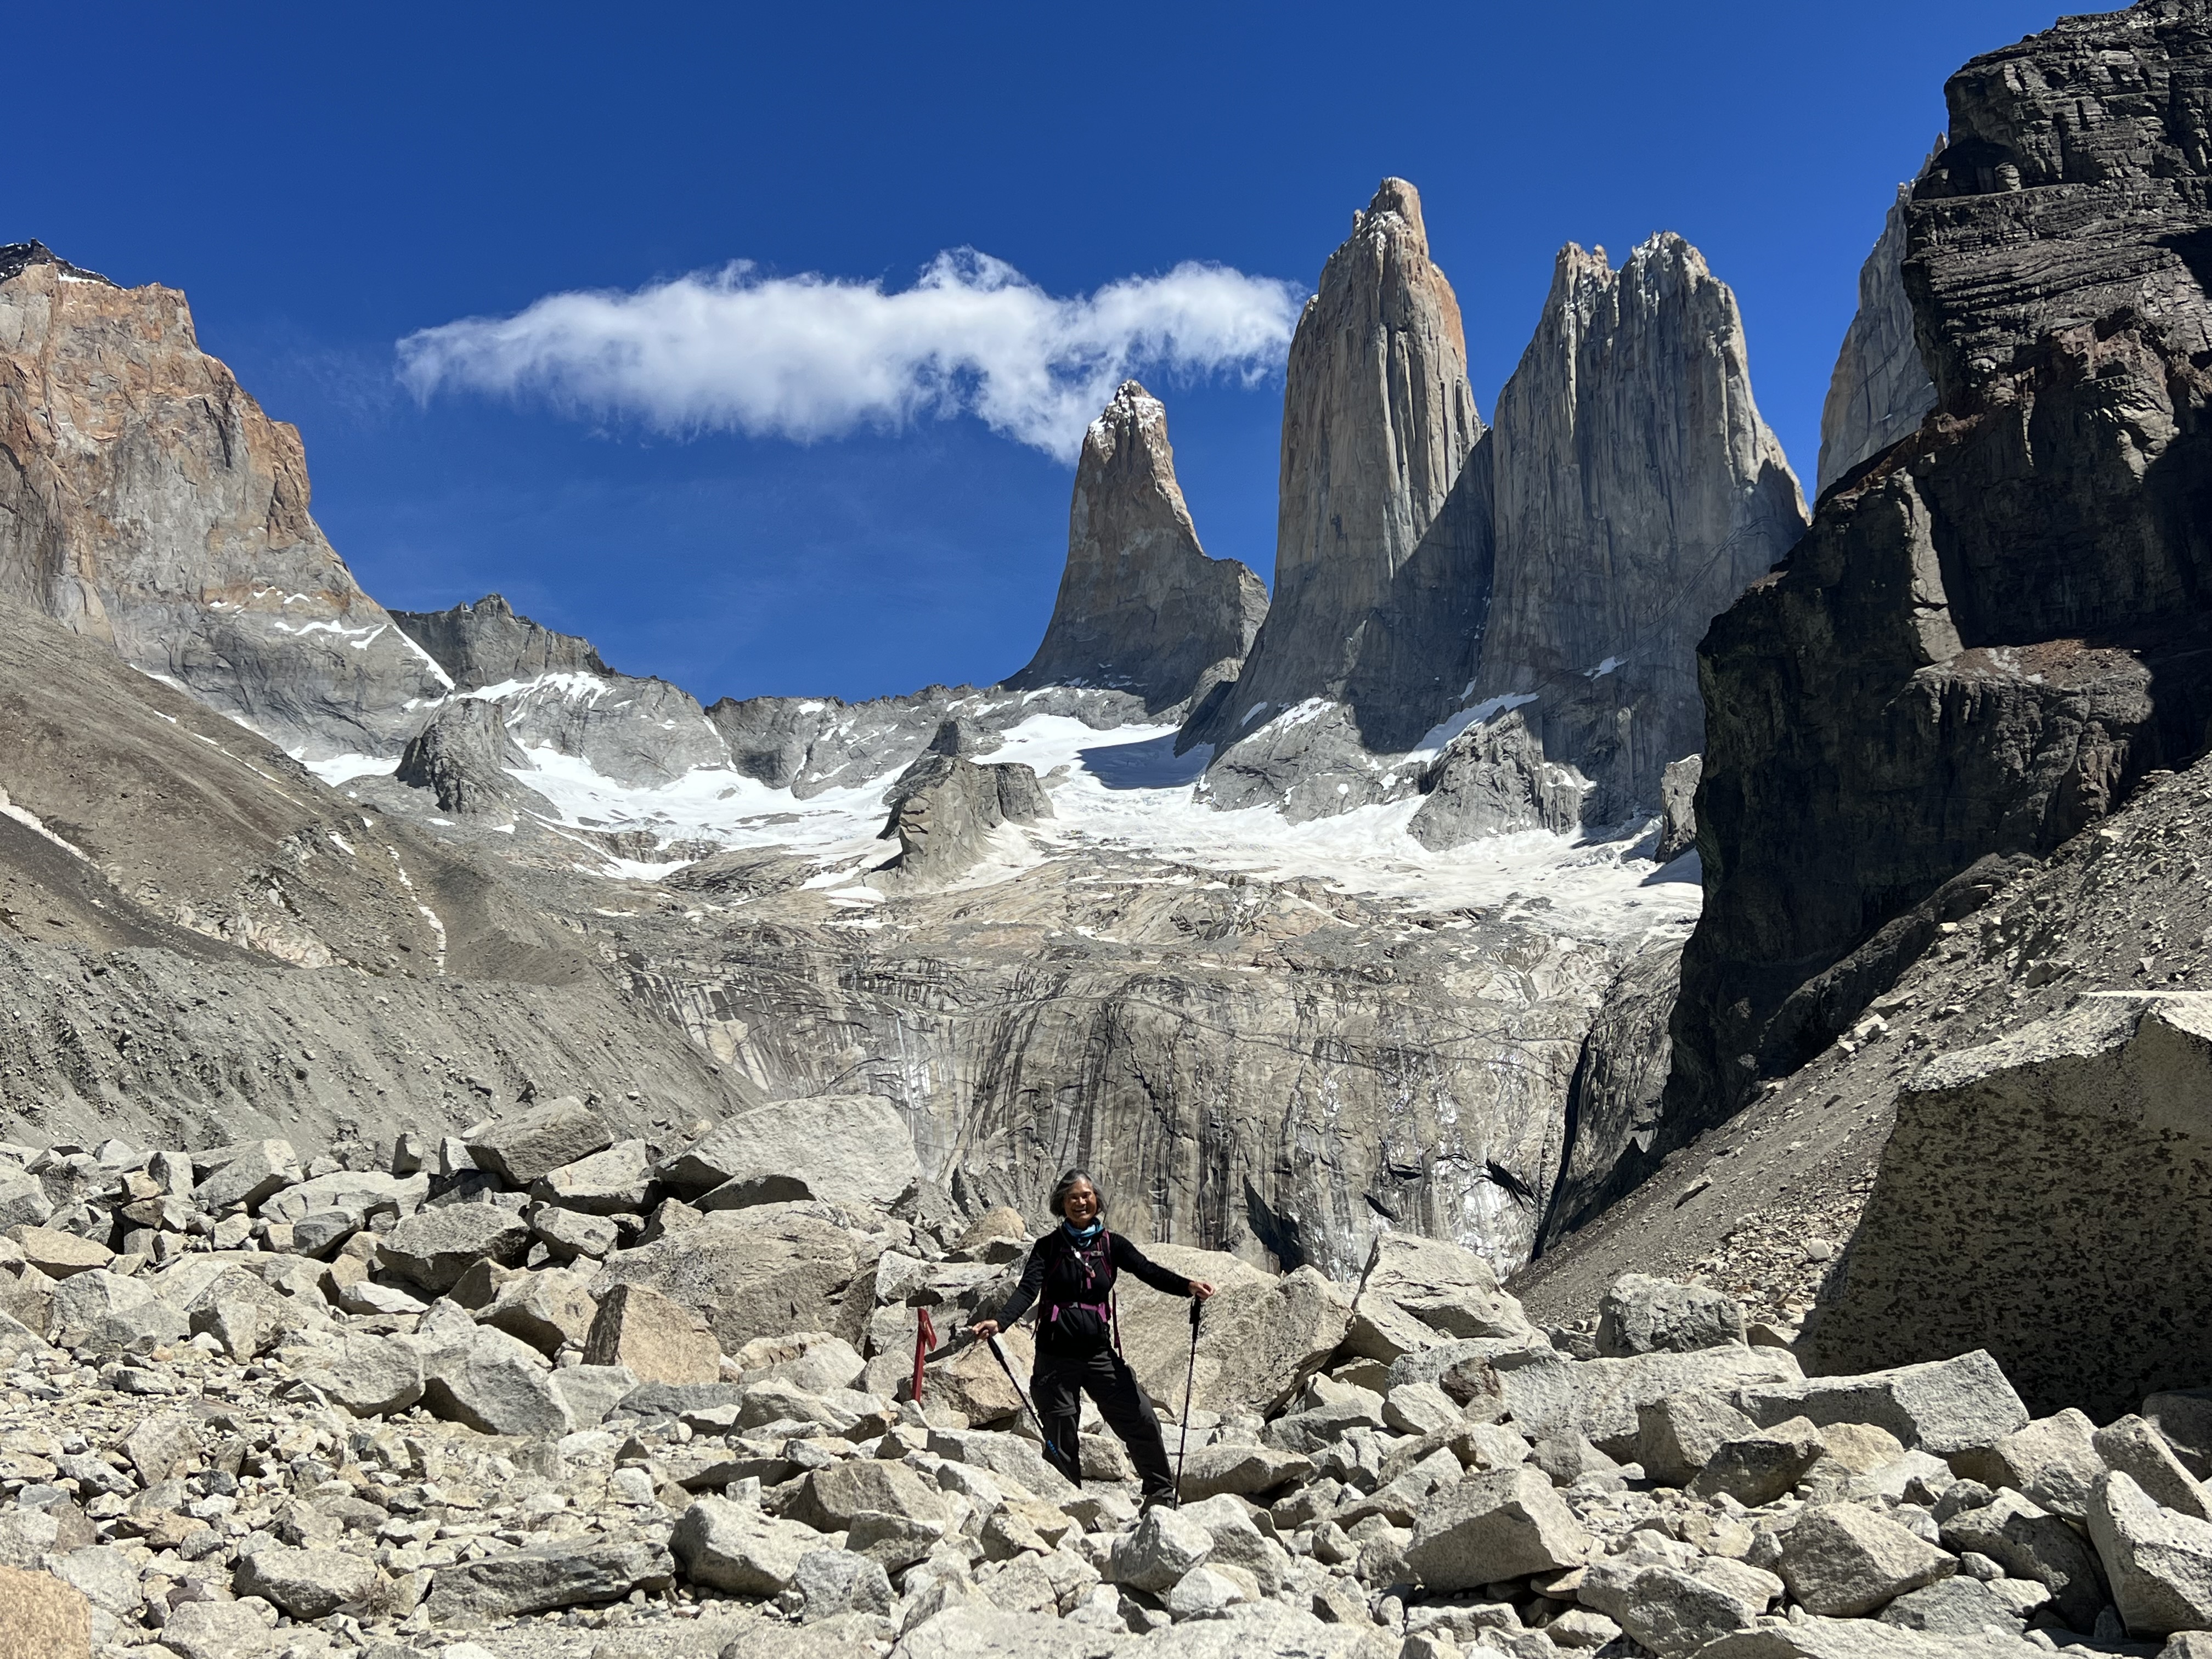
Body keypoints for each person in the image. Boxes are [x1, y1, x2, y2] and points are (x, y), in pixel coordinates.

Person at [970, 1170, 1213, 1508]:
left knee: (1140, 1415)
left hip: (1098, 1353)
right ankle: (1068, 1506)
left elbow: (1147, 1270)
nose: (1081, 1202)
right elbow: (1028, 1290)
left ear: (1097, 1200)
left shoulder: (1112, 1245)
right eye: (1073, 1198)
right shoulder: (1048, 1247)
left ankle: (1160, 1493)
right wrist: (1000, 1321)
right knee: (1061, 1431)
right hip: (1055, 1356)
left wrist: (1186, 1286)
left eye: (1086, 1196)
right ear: (1062, 1205)